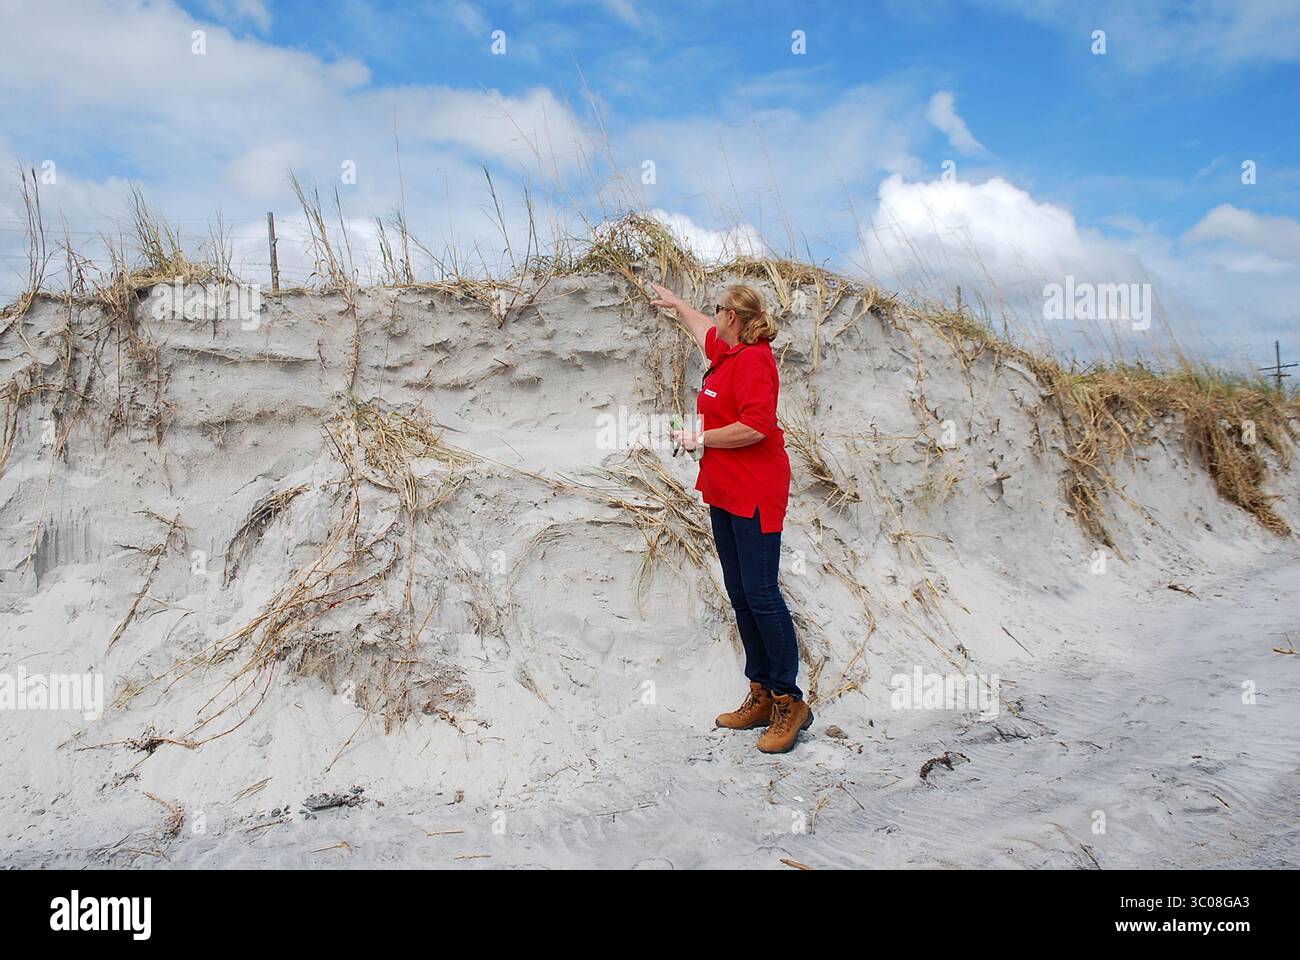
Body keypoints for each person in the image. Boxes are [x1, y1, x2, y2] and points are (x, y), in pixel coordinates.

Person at [650, 281, 812, 753]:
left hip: (756, 491)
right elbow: (701, 329)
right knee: (741, 592)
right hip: (724, 490)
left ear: (734, 318)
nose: (712, 315)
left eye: (718, 310)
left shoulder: (756, 361)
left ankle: (789, 700)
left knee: (762, 594)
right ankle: (760, 692)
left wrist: (701, 438)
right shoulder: (727, 350)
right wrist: (678, 305)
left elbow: (756, 428)